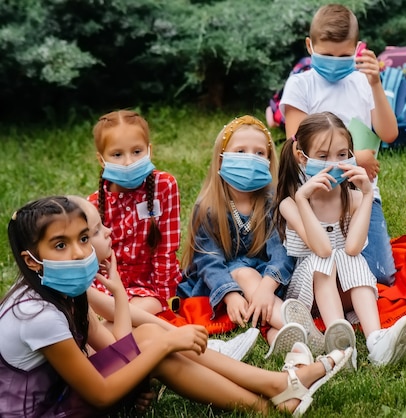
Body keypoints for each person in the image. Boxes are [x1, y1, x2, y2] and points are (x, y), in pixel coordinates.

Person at [0, 196, 352, 417]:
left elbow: (119, 348)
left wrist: (122, 297)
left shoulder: (62, 288)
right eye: (60, 245)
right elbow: (102, 393)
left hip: (64, 395)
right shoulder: (38, 316)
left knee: (152, 335)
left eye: (81, 239)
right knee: (159, 341)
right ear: (32, 260)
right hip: (46, 410)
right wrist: (167, 343)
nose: (78, 252)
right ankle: (270, 398)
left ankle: (275, 391)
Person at [275, 112, 406, 369]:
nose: (334, 163)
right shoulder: (291, 203)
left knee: (346, 255)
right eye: (323, 156)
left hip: (346, 286)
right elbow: (321, 248)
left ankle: (375, 341)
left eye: (342, 155)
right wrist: (302, 200)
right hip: (309, 291)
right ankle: (338, 343)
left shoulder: (351, 198)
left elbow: (353, 248)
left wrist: (366, 195)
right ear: (302, 158)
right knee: (326, 258)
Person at [279, 3, 398, 286]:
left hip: (358, 193)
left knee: (381, 275)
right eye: (327, 54)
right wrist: (356, 158)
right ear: (310, 46)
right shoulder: (301, 85)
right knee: (309, 266)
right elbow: (296, 142)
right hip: (314, 191)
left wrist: (375, 84)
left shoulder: (362, 84)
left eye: (344, 55)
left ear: (356, 49)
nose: (335, 61)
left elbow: (389, 133)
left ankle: (342, 281)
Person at [68, 195, 260, 363]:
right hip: (83, 384)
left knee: (140, 327)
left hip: (87, 367)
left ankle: (208, 350)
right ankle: (210, 353)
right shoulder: (70, 292)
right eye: (97, 230)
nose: (108, 230)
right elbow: (120, 347)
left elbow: (117, 315)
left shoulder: (75, 287)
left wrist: (178, 332)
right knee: (151, 339)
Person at [177, 116, 300, 357]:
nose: (250, 158)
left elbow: (282, 251)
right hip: (219, 285)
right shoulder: (209, 207)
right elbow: (207, 260)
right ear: (222, 157)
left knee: (252, 277)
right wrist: (230, 293)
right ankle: (291, 324)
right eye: (240, 151)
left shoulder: (273, 202)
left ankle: (288, 336)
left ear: (269, 159)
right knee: (243, 272)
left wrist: (267, 286)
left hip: (265, 285)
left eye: (259, 153)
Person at [88, 110, 182, 314]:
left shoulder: (164, 186)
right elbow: (94, 264)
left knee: (138, 309)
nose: (129, 162)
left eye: (137, 152)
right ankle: (120, 323)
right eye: (117, 154)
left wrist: (165, 298)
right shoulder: (93, 205)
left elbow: (165, 249)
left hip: (151, 288)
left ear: (149, 150)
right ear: (101, 160)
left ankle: (116, 327)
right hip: (109, 289)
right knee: (99, 306)